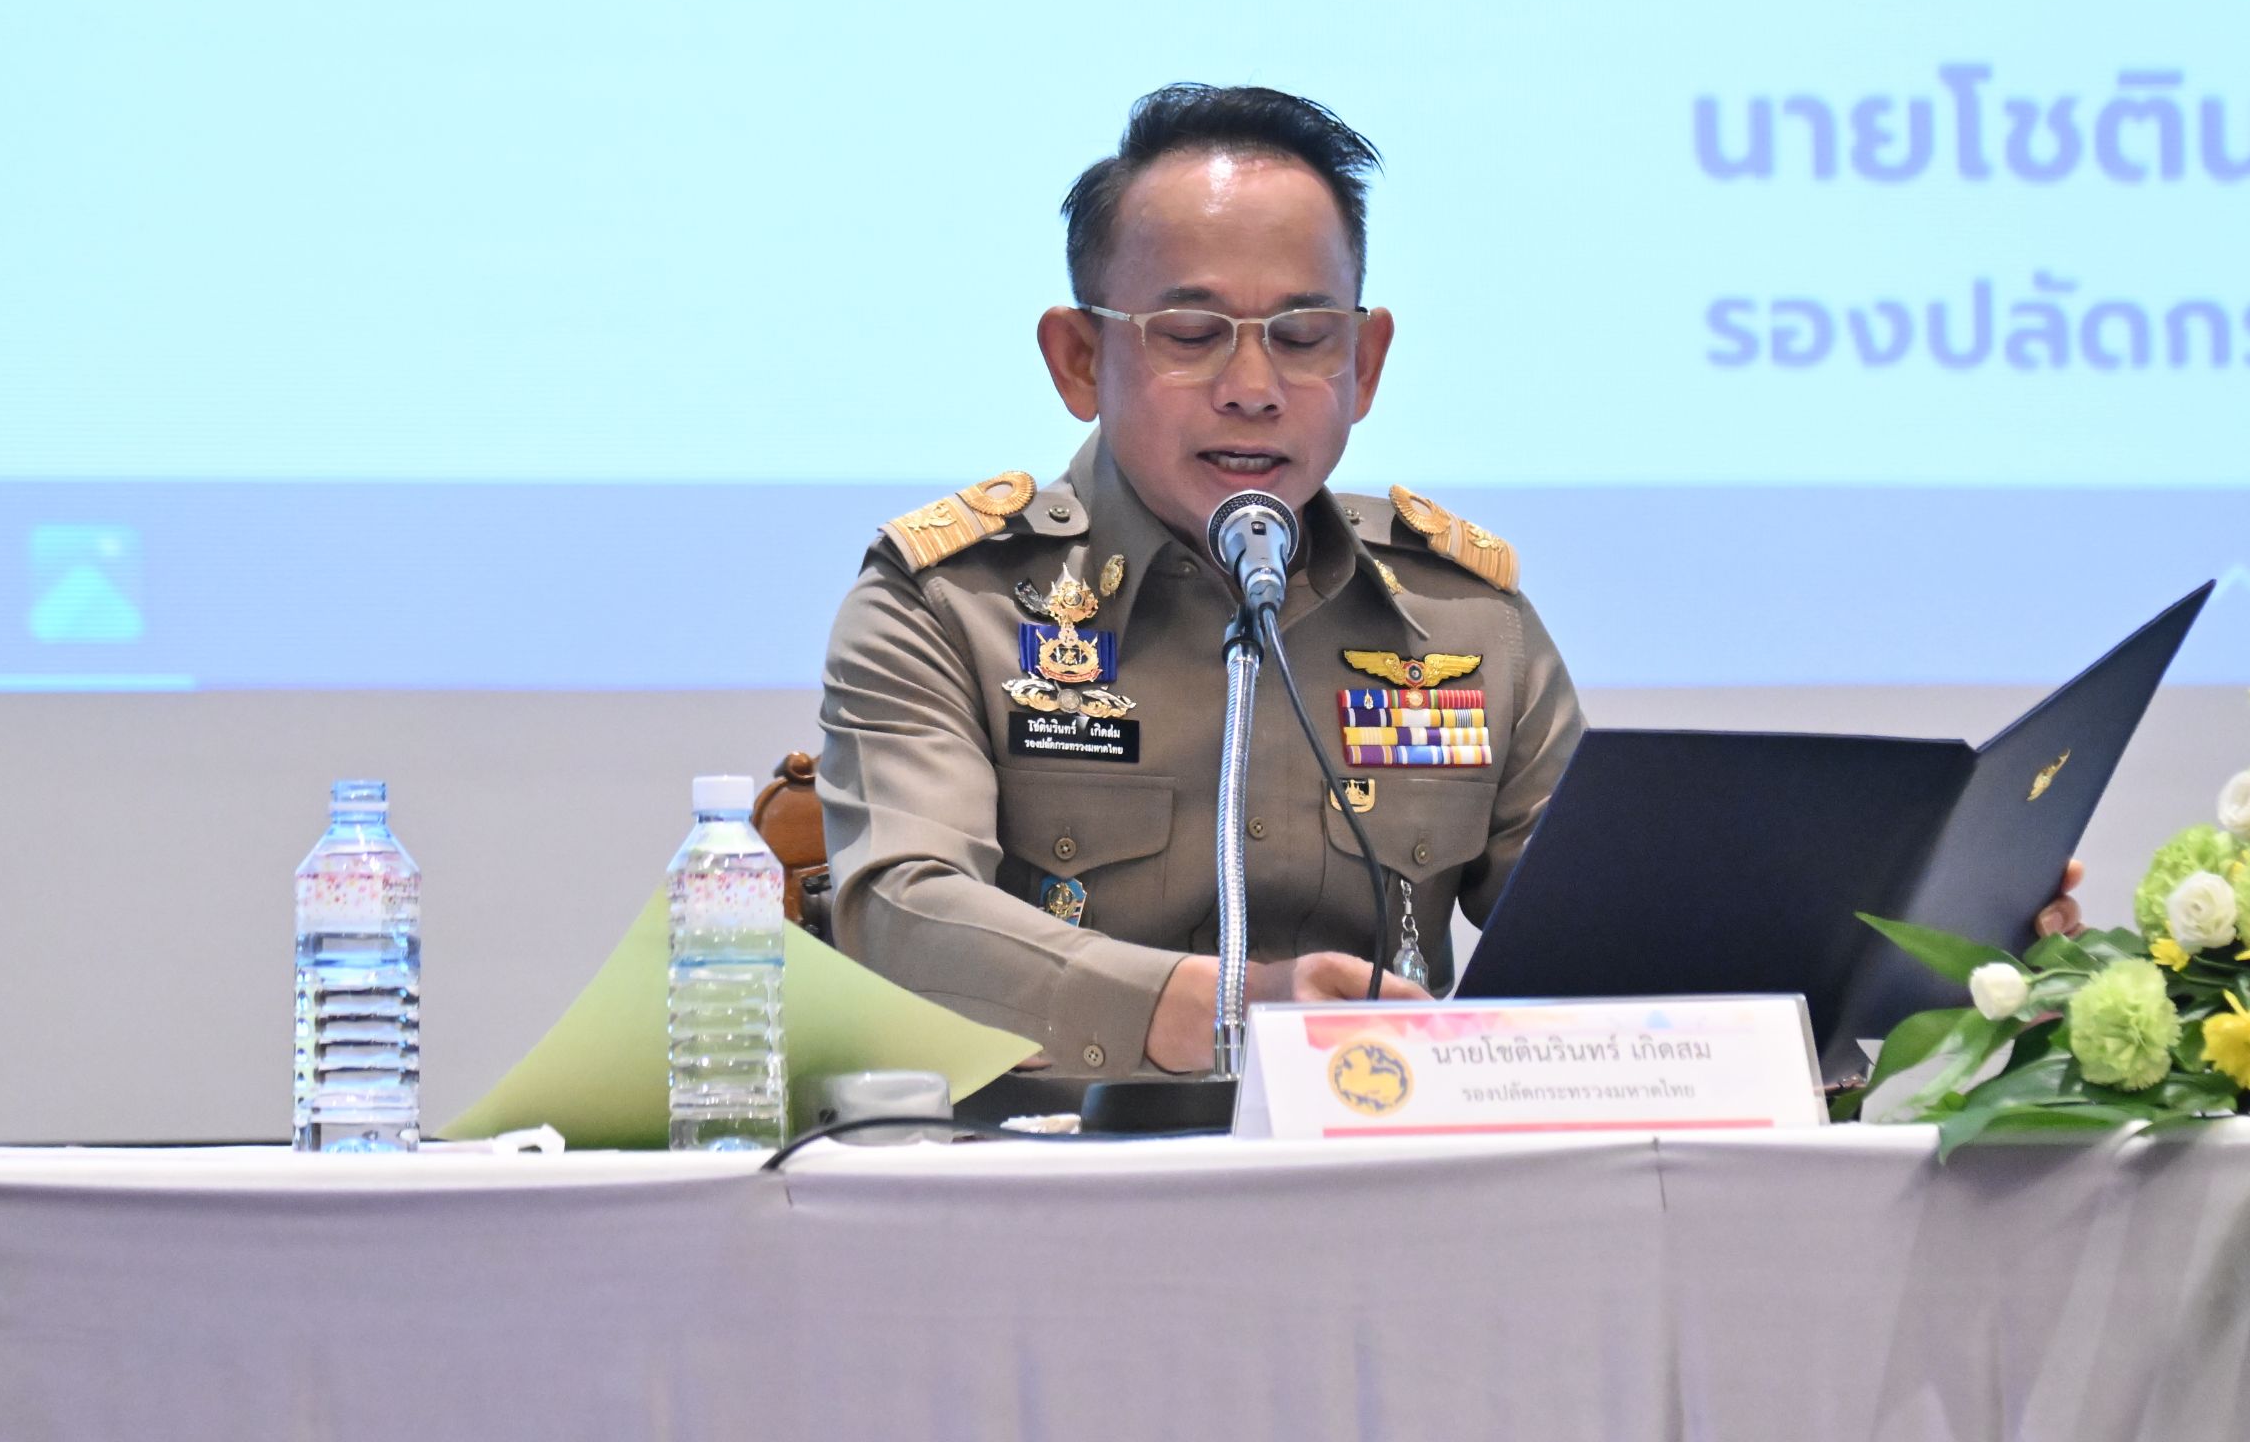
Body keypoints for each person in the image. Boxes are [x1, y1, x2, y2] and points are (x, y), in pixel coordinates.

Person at [816, 84, 2082, 1079]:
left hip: (1400, 1186)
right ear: (1079, 358)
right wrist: (1220, 1007)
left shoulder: (1462, 622)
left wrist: (1940, 944)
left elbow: (1611, 945)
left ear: (1364, 365)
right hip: (1048, 1193)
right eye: (1192, 334)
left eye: (1304, 336)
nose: (1253, 387)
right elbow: (902, 917)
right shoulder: (949, 606)